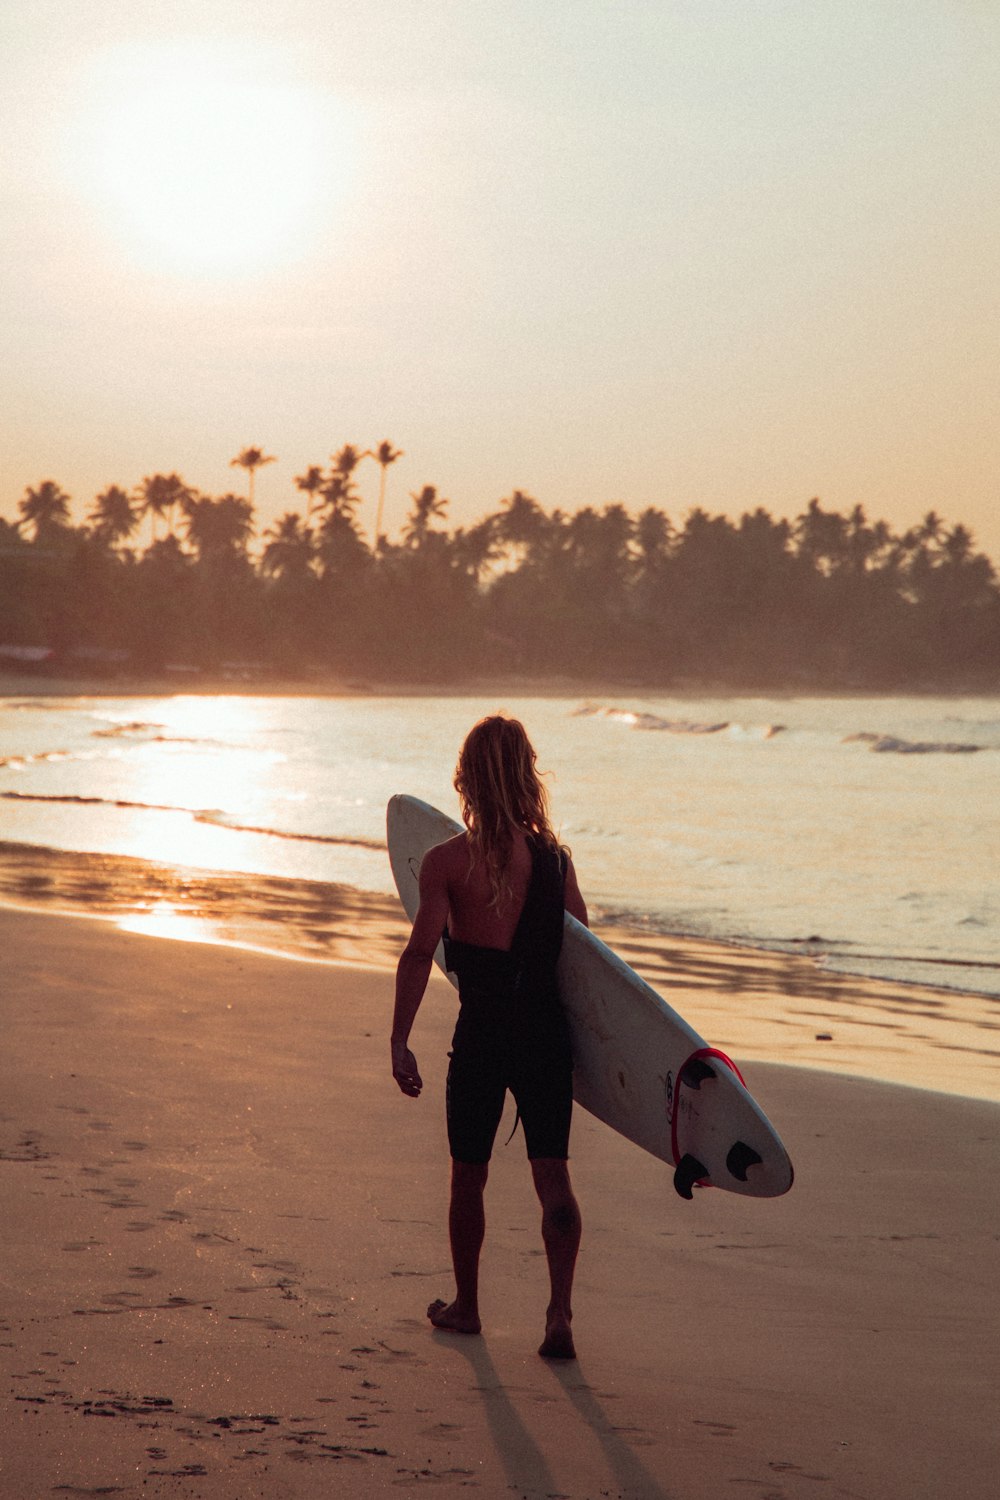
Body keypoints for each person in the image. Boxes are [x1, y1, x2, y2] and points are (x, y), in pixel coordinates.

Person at [391, 715, 588, 1360]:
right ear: (527, 775)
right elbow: (584, 962)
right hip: (542, 1034)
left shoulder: (448, 861)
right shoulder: (556, 863)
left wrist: (400, 1039)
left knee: (467, 1176)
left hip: (481, 1033)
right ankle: (558, 1312)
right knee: (552, 1175)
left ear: (467, 778)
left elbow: (421, 953)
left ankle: (469, 1306)